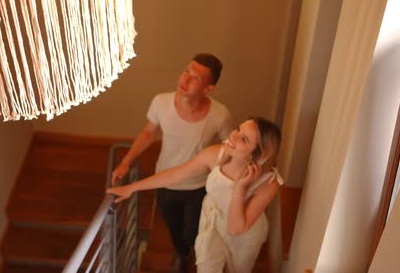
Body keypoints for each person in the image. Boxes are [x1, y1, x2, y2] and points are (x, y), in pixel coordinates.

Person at [108, 117, 283, 273]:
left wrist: (240, 187)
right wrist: (132, 188)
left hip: (244, 235)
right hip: (212, 224)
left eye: (243, 139)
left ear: (260, 154)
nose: (233, 136)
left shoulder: (268, 182)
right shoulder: (215, 154)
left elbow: (235, 229)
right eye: (238, 129)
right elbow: (175, 175)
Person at [110, 53, 232, 272]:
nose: (184, 80)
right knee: (174, 229)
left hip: (200, 186)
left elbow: (229, 148)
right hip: (164, 183)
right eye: (187, 71)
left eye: (195, 78)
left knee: (194, 231)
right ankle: (181, 254)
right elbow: (148, 133)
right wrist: (126, 161)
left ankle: (195, 253)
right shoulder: (161, 102)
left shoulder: (220, 115)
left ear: (208, 88)